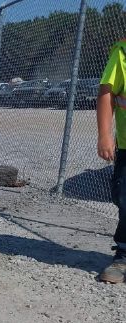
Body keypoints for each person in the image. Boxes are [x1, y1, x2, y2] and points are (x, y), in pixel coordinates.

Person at [97, 41, 126, 284]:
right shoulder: (122, 54)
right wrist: (105, 135)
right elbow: (107, 93)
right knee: (124, 197)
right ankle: (123, 256)